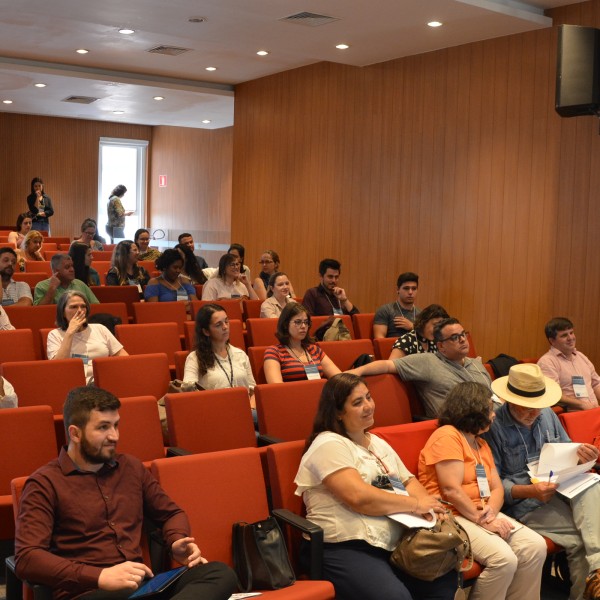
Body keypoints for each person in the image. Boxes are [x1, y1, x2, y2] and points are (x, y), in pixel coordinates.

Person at [14, 385, 237, 600]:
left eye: (116, 425)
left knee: (218, 573)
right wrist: (100, 576)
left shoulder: (131, 468)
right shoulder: (44, 483)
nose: (114, 436)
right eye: (103, 427)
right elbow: (27, 558)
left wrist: (176, 540)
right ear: (75, 433)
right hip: (90, 592)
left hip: (143, 587)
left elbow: (171, 514)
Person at [295, 373, 456, 600]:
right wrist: (414, 504)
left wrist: (430, 509)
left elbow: (408, 481)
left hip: (392, 541)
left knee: (441, 579)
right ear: (338, 413)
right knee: (395, 597)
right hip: (344, 545)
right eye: (357, 403)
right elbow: (359, 498)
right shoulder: (328, 443)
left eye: (369, 398)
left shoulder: (376, 442)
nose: (368, 406)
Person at [418, 381, 546, 600]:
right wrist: (484, 519)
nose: (494, 415)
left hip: (480, 513)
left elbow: (496, 488)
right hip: (450, 515)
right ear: (472, 409)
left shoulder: (481, 444)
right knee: (504, 559)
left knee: (534, 546)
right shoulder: (447, 435)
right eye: (489, 409)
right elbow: (451, 490)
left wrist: (491, 512)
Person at [484, 363, 600, 600]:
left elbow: (566, 448)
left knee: (593, 483)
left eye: (539, 407)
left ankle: (598, 568)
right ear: (510, 401)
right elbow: (493, 484)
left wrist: (580, 457)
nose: (535, 413)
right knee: (580, 543)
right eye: (528, 408)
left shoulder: (546, 413)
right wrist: (530, 491)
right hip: (525, 503)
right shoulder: (493, 426)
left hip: (560, 489)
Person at [348, 317, 492, 417]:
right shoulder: (428, 362)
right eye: (454, 337)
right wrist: (355, 372)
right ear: (441, 346)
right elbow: (387, 364)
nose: (462, 339)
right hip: (459, 428)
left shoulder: (476, 364)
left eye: (463, 335)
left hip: (493, 421)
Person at [181, 304, 255, 408]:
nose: (225, 327)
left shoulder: (240, 354)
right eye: (218, 325)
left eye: (226, 321)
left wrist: (250, 409)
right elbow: (188, 391)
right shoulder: (195, 358)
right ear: (206, 331)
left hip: (245, 409)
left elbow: (253, 390)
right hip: (214, 411)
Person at [46, 291, 127, 384]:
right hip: (75, 384)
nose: (80, 310)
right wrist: (70, 333)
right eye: (74, 307)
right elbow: (57, 367)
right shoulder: (55, 335)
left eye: (83, 306)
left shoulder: (100, 328)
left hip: (105, 379)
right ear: (63, 312)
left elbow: (123, 357)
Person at [264, 303, 340, 383]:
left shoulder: (314, 350)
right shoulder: (274, 352)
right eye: (298, 322)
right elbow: (276, 388)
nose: (303, 326)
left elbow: (338, 378)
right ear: (286, 324)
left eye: (306, 322)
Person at [537, 317, 600, 411]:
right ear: (552, 341)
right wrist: (581, 405)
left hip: (595, 412)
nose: (571, 338)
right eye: (564, 335)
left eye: (571, 333)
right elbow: (553, 393)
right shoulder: (547, 362)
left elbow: (596, 384)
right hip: (573, 415)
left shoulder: (581, 356)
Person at [34, 254, 99, 305]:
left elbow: (96, 305)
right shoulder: (42, 286)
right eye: (67, 267)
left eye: (72, 266)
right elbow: (40, 311)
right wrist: (52, 289)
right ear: (56, 271)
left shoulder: (80, 283)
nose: (72, 269)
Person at [374, 272, 420, 338]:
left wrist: (412, 327)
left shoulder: (421, 314)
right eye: (406, 288)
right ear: (398, 289)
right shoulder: (385, 310)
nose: (410, 292)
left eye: (414, 289)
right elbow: (379, 339)